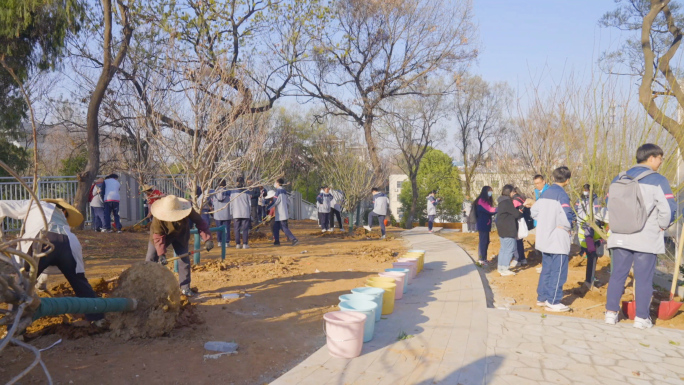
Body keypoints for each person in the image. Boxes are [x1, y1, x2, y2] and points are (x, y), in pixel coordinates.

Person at [0, 198, 105, 325]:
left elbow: (2, 204)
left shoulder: (35, 204)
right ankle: (98, 319)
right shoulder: (61, 217)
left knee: (22, 285)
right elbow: (55, 251)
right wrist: (42, 281)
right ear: (64, 211)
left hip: (41, 241)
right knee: (80, 282)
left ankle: (16, 329)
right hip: (69, 243)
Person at [605, 144, 676, 329]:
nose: (661, 162)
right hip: (645, 237)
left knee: (617, 275)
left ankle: (610, 314)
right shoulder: (658, 180)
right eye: (660, 158)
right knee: (644, 278)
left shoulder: (618, 178)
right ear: (651, 158)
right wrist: (662, 226)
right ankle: (641, 318)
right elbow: (668, 209)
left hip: (620, 235)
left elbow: (608, 205)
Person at [146, 195, 213, 296]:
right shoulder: (158, 217)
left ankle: (185, 288)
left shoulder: (187, 209)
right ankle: (148, 287)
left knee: (184, 260)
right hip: (161, 235)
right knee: (150, 259)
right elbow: (158, 236)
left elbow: (200, 222)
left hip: (180, 235)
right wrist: (161, 254)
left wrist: (207, 239)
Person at [531, 166, 575, 312]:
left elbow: (533, 211)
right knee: (558, 271)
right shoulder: (562, 195)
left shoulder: (545, 193)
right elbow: (567, 215)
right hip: (558, 239)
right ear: (567, 180)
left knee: (547, 269)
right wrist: (567, 227)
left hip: (544, 238)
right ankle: (554, 300)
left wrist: (544, 222)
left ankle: (542, 298)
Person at [576, 183, 603, 288]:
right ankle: (589, 279)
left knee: (592, 255)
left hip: (592, 232)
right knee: (590, 254)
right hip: (584, 230)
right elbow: (576, 211)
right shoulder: (580, 199)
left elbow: (598, 215)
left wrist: (596, 224)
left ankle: (590, 279)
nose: (585, 191)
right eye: (585, 189)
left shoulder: (596, 200)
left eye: (587, 189)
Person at [496, 185, 526, 276]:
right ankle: (505, 268)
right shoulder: (507, 202)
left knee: (503, 249)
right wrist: (521, 209)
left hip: (502, 228)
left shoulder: (501, 201)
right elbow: (516, 214)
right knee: (510, 249)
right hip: (508, 229)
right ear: (510, 192)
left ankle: (501, 267)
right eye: (513, 192)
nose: (514, 194)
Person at [268, 178, 299, 246]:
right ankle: (276, 241)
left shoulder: (278, 191)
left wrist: (268, 207)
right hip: (282, 212)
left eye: (275, 182)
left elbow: (275, 202)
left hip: (281, 213)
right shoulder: (284, 191)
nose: (275, 184)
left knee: (284, 227)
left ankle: (294, 239)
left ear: (278, 183)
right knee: (276, 227)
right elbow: (288, 202)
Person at [474, 186, 496, 266]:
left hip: (486, 224)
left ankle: (484, 258)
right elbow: (489, 210)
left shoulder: (485, 201)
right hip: (482, 224)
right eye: (489, 191)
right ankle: (480, 259)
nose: (491, 193)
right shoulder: (481, 201)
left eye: (491, 191)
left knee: (486, 241)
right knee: (483, 242)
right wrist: (500, 209)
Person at [230, 176, 253, 249]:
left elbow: (231, 203)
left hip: (236, 213)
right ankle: (245, 244)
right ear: (243, 182)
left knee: (236, 229)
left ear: (237, 182)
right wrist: (250, 212)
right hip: (245, 213)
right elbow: (249, 204)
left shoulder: (233, 192)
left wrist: (231, 212)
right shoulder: (247, 192)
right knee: (245, 229)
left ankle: (237, 244)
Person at [511, 187, 530, 267]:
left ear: (513, 192)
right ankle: (523, 259)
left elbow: (514, 212)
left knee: (517, 241)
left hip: (518, 221)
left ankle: (518, 259)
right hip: (523, 221)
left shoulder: (515, 200)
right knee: (520, 241)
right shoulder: (522, 198)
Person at [212, 179, 232, 247]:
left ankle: (219, 242)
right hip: (226, 213)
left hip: (218, 213)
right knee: (227, 228)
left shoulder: (214, 192)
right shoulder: (229, 192)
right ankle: (227, 242)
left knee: (218, 228)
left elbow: (213, 203)